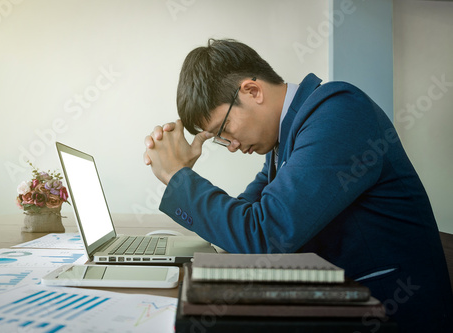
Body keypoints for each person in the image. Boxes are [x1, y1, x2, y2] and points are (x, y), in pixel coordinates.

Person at [143, 38, 453, 332]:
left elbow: (265, 235)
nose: (232, 146)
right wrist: (183, 177)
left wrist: (177, 177)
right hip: (343, 304)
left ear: (252, 90)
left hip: (395, 314)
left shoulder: (338, 112)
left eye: (223, 131)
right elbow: (247, 224)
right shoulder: (286, 139)